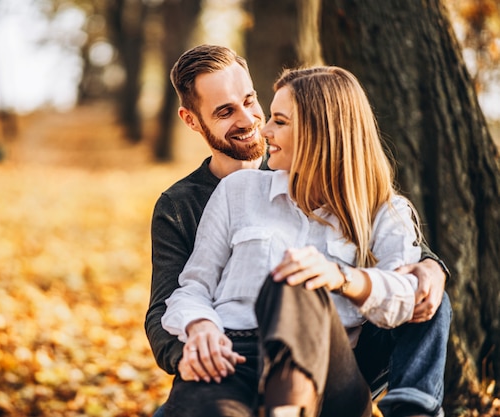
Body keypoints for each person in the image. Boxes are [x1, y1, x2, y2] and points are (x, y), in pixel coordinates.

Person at [145, 45, 451, 417]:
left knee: (295, 280)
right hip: (230, 355)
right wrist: (195, 342)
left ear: (317, 129)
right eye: (225, 112)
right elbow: (173, 299)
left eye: (250, 101)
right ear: (192, 120)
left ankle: (409, 408)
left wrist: (431, 268)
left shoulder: (369, 203)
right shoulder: (195, 202)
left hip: (330, 360)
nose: (254, 122)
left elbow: (404, 260)